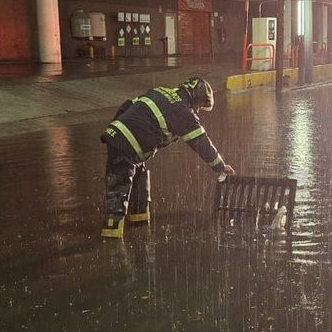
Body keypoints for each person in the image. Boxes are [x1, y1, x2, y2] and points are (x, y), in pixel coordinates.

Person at [99, 77, 235, 238]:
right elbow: (201, 142)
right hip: (127, 145)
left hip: (120, 138)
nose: (198, 110)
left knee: (139, 178)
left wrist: (114, 131)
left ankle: (139, 224)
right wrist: (220, 166)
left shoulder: (161, 91)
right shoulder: (183, 112)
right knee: (118, 187)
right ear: (194, 98)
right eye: (199, 105)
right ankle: (111, 236)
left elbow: (128, 105)